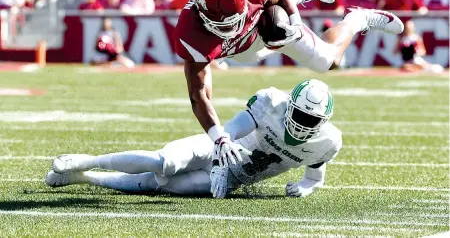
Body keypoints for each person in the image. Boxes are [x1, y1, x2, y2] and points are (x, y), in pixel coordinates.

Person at [172, 0, 404, 169]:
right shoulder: (190, 33)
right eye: (228, 22)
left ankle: (357, 18)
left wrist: (295, 22)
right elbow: (198, 94)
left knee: (328, 62)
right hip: (240, 52)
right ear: (203, 14)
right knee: (250, 53)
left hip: (269, 31)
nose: (236, 25)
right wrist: (219, 137)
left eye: (238, 17)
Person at [46, 79, 341, 199]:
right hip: (220, 151)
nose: (303, 124)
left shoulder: (327, 141)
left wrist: (305, 187)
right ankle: (86, 160)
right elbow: (234, 127)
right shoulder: (272, 103)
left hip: (232, 179)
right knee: (164, 162)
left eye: (311, 120)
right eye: (300, 115)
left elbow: (315, 175)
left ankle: (85, 178)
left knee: (159, 184)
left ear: (323, 121)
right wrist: (222, 145)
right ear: (289, 105)